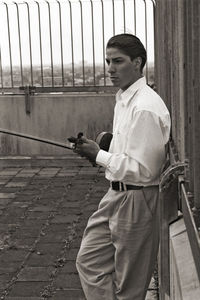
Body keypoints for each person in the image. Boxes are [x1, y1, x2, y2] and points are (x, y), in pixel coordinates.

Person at [75, 34, 171, 300]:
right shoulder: (124, 98)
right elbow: (127, 150)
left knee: (130, 286)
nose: (110, 69)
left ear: (137, 63)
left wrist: (99, 156)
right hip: (115, 194)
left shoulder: (145, 107)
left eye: (118, 61)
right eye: (108, 61)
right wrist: (101, 148)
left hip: (139, 200)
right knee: (89, 261)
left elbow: (146, 170)